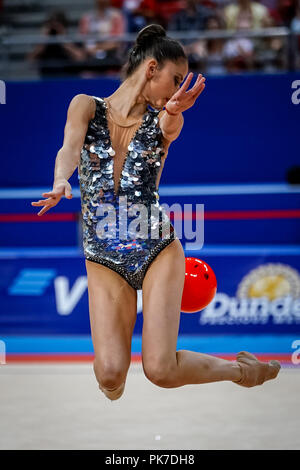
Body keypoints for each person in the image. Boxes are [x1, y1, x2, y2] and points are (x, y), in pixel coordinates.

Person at [31, 24, 281, 401]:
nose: (178, 89)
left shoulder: (162, 120)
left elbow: (170, 123)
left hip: (155, 249)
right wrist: (61, 179)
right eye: (175, 79)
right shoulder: (85, 105)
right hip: (102, 255)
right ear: (151, 69)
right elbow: (68, 147)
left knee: (160, 370)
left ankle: (244, 370)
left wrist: (175, 110)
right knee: (110, 376)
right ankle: (114, 377)